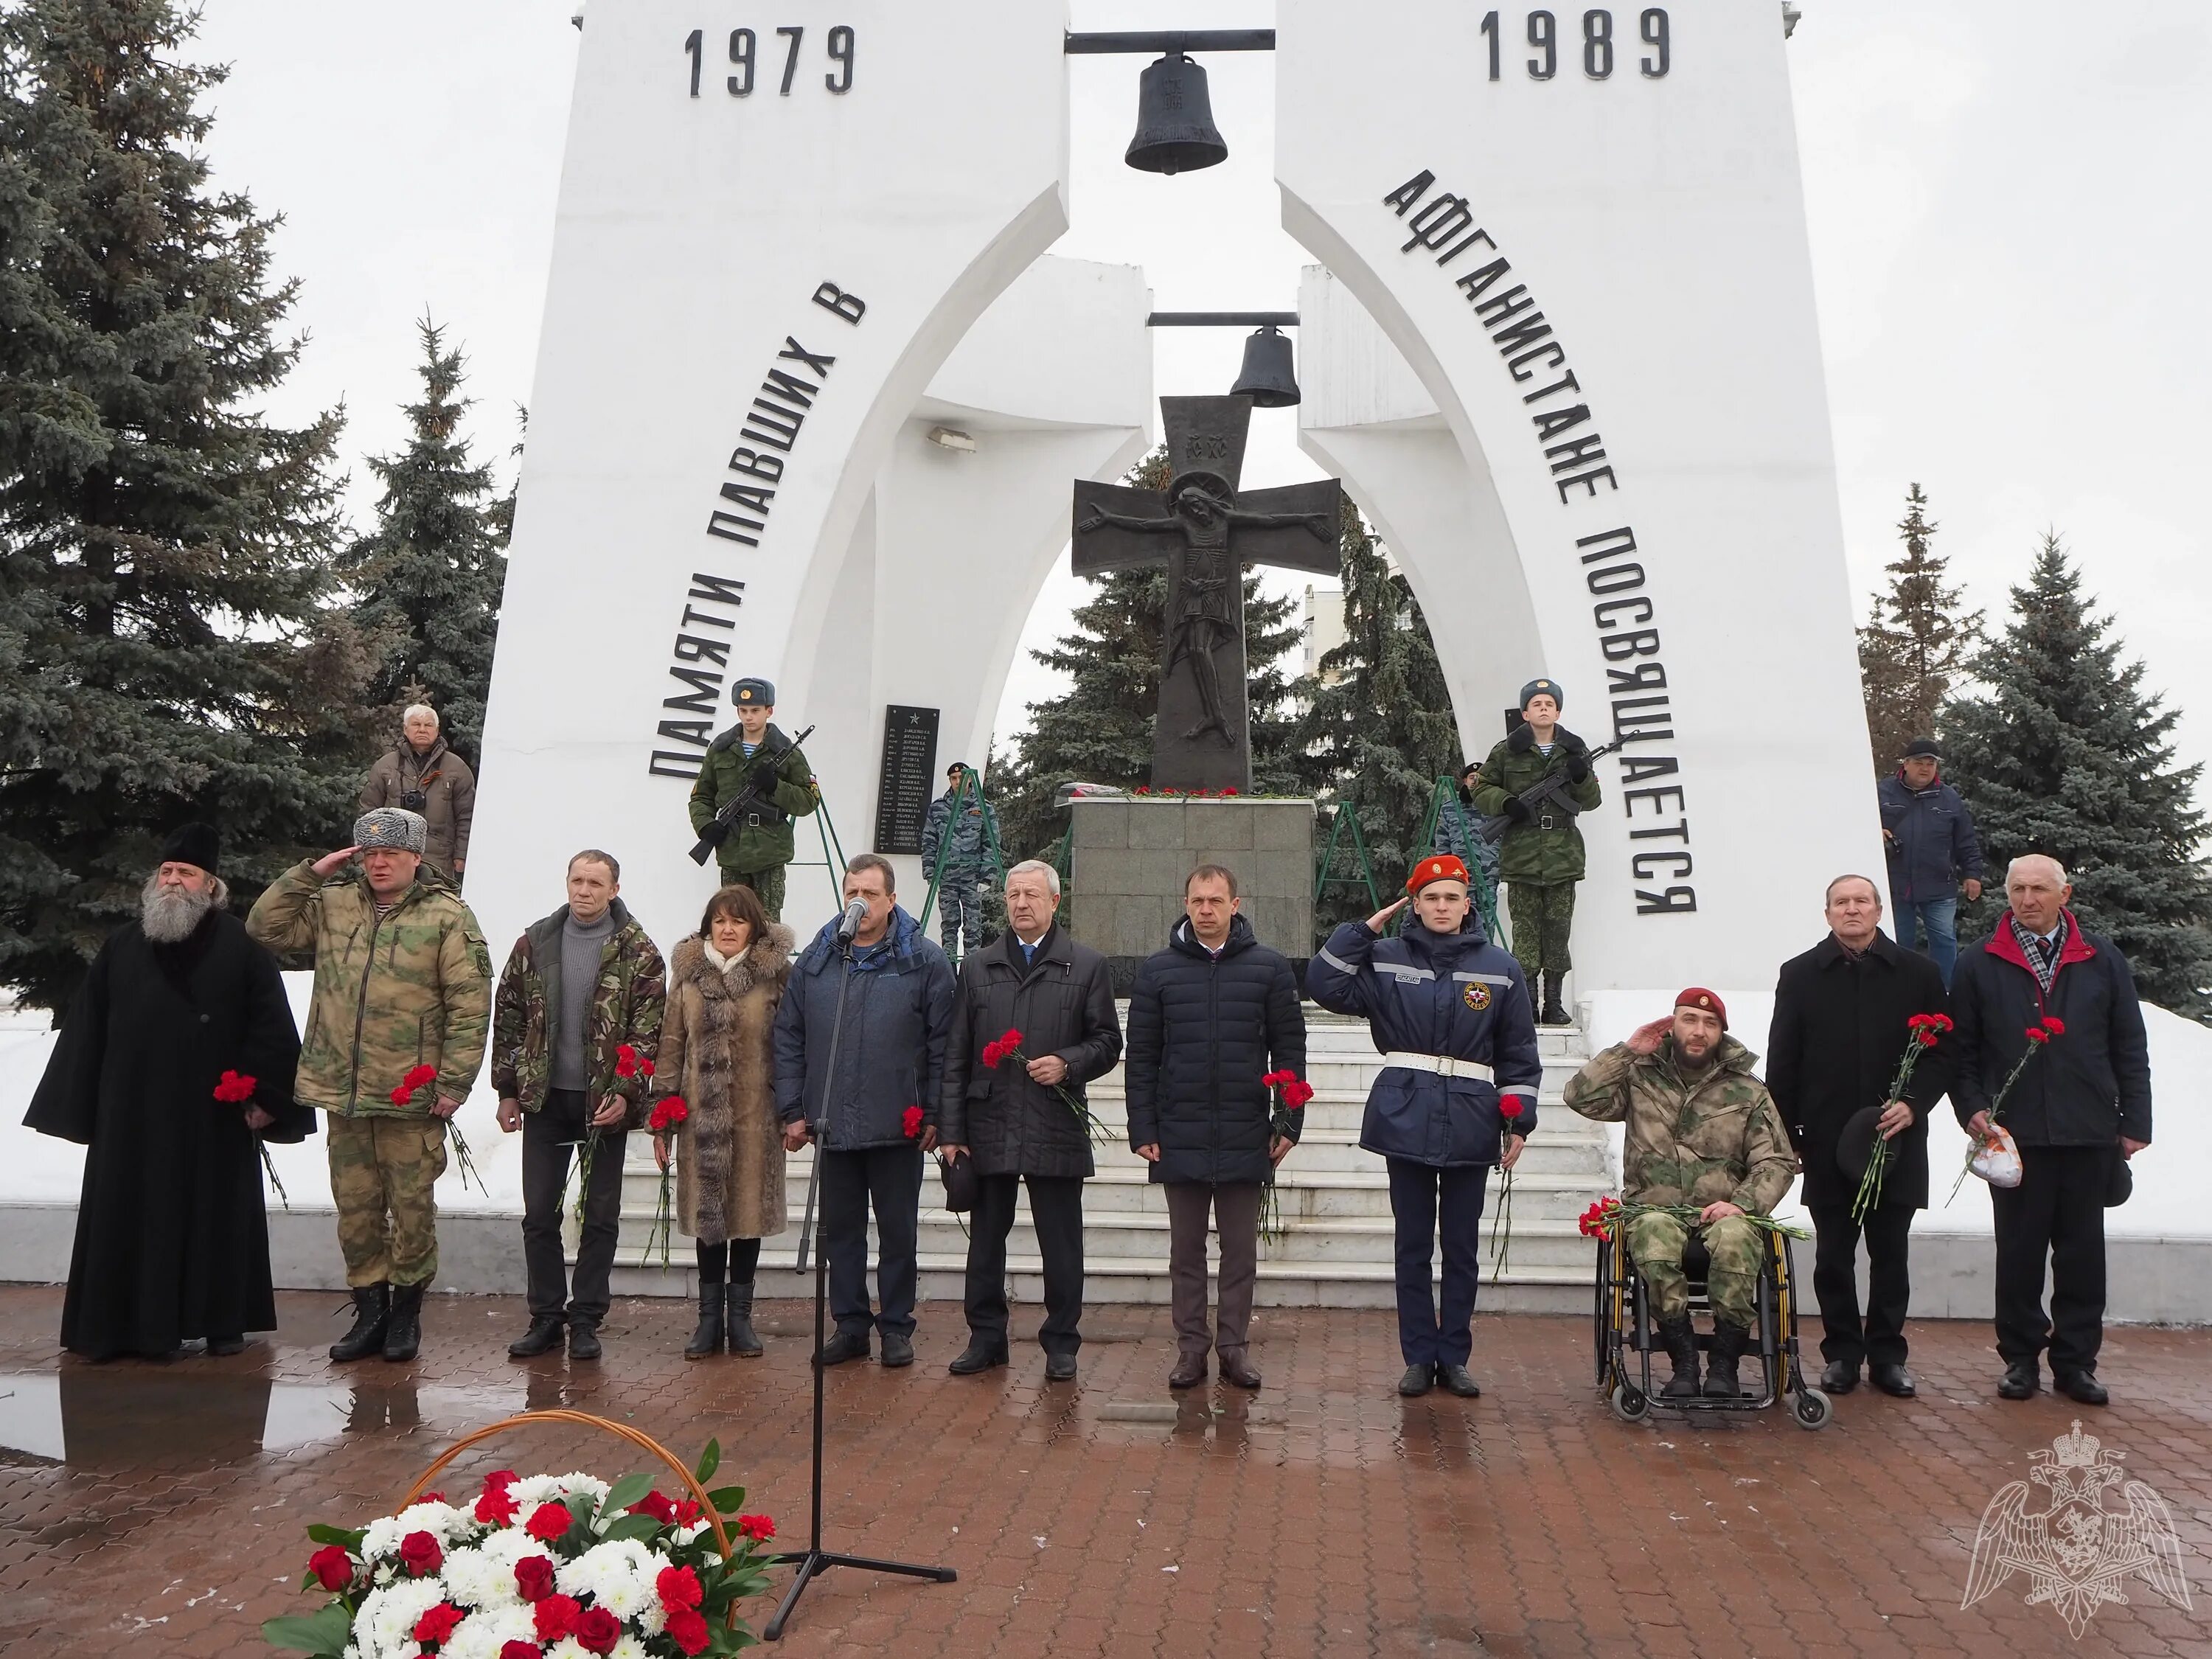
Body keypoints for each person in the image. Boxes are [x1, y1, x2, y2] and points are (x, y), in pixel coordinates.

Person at [26, 824, 315, 1360]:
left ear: (211, 886)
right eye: (166, 872)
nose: (173, 882)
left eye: (186, 873)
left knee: (214, 1217)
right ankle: (116, 1327)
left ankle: (222, 1322)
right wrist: (83, 1104)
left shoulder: (242, 947)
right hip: (130, 1112)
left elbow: (270, 1027)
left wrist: (263, 1097)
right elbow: (88, 1028)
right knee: (128, 1214)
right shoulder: (122, 946)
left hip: (212, 1113)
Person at [246, 807, 493, 1364]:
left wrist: (454, 1081)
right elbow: (266, 928)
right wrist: (310, 873)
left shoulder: (447, 916)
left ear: (414, 857)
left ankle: (406, 1314)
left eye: (391, 854)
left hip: (411, 1093)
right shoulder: (334, 905)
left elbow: (470, 1004)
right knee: (356, 1209)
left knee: (409, 1208)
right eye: (370, 854)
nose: (379, 863)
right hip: (344, 1089)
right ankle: (370, 1310)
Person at [1307, 853, 1539, 1399]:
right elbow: (1323, 985)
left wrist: (1518, 1120)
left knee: (1460, 1247)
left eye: (1450, 897)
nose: (1441, 906)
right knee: (1412, 1244)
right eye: (1430, 897)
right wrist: (1362, 930)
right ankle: (1418, 1357)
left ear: (1466, 904)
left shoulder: (1500, 968)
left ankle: (1454, 1357)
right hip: (1404, 1113)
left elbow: (1519, 1052)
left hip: (1471, 1116)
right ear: (1414, 904)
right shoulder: (1385, 957)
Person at [1950, 855, 2151, 1407]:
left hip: (2088, 1133)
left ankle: (2076, 1363)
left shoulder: (2101, 958)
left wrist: (2135, 1121)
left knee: (2083, 1256)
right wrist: (1971, 1108)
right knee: (2018, 1254)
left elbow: (2129, 1044)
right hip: (2016, 1138)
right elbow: (1961, 1052)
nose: (2027, 899)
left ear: (2065, 895)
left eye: (2039, 889)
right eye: (2018, 888)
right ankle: (2020, 1360)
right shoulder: (1979, 962)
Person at [1766, 874, 1950, 1399]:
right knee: (1834, 1256)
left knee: (1891, 1254)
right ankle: (1843, 1352)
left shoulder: (1919, 973)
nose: (1852, 910)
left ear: (1879, 910)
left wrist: (1913, 1105)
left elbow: (1941, 1054)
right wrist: (1789, 1134)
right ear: (1827, 914)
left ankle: (1889, 1355)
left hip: (1897, 1141)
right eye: (1841, 902)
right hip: (1826, 1142)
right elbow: (1784, 1060)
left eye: (1861, 901)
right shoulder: (1800, 974)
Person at [1562, 990, 1798, 1401]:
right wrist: (1626, 1051)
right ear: (1673, 1025)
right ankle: (1683, 1360)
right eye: (1689, 1020)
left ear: (1722, 1033)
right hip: (1655, 1208)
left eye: (1710, 1024)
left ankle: (1725, 1363)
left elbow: (1776, 1161)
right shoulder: (1640, 1078)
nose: (1698, 1031)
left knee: (1738, 1238)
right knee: (1653, 1234)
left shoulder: (1747, 1092)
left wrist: (1740, 1205)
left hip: (1723, 1211)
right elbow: (1580, 1098)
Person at [1124, 865, 1306, 1391]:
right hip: (1178, 1131)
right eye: (1197, 900)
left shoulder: (1269, 969)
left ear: (1235, 904)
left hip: (1246, 1129)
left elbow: (1289, 1051)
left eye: (1215, 900)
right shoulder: (1158, 971)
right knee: (1186, 1253)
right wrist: (1143, 1127)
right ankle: (1190, 1351)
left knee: (1240, 1252)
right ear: (1185, 904)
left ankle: (1233, 1348)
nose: (1206, 909)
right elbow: (1143, 1058)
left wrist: (1289, 1120)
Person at [939, 860, 1121, 1382]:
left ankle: (1061, 1343)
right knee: (986, 1241)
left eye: (1031, 895)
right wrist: (952, 1132)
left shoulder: (1085, 966)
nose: (1020, 903)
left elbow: (1108, 1041)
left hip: (1053, 1121)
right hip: (989, 1120)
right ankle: (986, 1338)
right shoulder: (977, 967)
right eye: (1013, 895)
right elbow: (956, 1053)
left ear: (1054, 903)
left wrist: (1069, 1063)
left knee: (1061, 1243)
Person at [774, 853, 955, 1368]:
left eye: (871, 894)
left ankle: (896, 1327)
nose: (860, 901)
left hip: (900, 1125)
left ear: (892, 900)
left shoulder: (924, 960)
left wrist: (937, 1111)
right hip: (832, 1125)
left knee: (899, 1234)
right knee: (842, 1233)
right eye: (853, 891)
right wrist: (793, 1108)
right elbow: (789, 1036)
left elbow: (945, 1044)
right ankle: (850, 1325)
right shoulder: (818, 959)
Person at [490, 849, 667, 1363]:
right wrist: (506, 1090)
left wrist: (628, 1092)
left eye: (595, 883)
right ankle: (546, 1316)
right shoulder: (536, 941)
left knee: (600, 1215)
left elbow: (648, 1030)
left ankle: (586, 1318)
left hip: (603, 1105)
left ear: (614, 889)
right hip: (545, 1101)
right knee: (539, 1212)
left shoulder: (638, 950)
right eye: (577, 880)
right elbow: (510, 1017)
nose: (584, 890)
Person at [654, 884, 796, 1359]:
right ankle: (708, 1320)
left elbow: (793, 1045)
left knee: (748, 1214)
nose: (728, 929)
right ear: (708, 926)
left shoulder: (777, 977)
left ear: (754, 926)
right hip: (700, 1119)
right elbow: (671, 1046)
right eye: (719, 920)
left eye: (738, 920)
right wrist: (663, 1117)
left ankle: (742, 1319)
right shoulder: (689, 979)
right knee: (709, 1218)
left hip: (758, 1117)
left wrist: (792, 1109)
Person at [1472, 678, 1601, 1025]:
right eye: (1536, 704)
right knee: (1525, 931)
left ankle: (1554, 1004)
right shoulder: (1506, 751)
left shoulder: (1575, 750)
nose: (1543, 709)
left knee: (1559, 930)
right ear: (1525, 712)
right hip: (1523, 853)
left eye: (1549, 704)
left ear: (1558, 711)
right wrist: (1507, 802)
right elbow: (1481, 789)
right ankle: (1527, 1002)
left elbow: (1591, 802)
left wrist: (1579, 777)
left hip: (1563, 856)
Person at [687, 676, 817, 922]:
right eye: (743, 710)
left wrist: (776, 786)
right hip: (732, 853)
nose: (749, 717)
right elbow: (701, 796)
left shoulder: (785, 751)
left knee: (767, 927)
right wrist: (706, 826)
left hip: (769, 854)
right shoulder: (721, 749)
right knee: (731, 921)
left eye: (755, 710)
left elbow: (809, 800)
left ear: (769, 711)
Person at [1877, 737, 1985, 988]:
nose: (1925, 768)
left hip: (1939, 884)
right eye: (1919, 762)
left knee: (1945, 941)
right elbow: (1855, 825)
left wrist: (1973, 874)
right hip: (1895, 884)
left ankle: (1945, 992)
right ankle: (1899, 991)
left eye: (1931, 763)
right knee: (1898, 942)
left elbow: (1966, 840)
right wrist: (1875, 831)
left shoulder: (1949, 798)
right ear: (1905, 764)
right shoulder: (1882, 792)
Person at [360, 703, 476, 880]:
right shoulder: (386, 766)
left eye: (428, 725)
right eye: (416, 725)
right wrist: (363, 855)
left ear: (437, 730)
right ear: (405, 729)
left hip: (439, 860)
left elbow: (467, 815)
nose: (422, 729)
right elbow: (368, 813)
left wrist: (462, 854)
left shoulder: (456, 768)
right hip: (392, 856)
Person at [920, 762, 1002, 960]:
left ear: (969, 780)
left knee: (973, 928)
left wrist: (987, 876)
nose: (958, 782)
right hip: (946, 877)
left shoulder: (983, 808)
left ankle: (971, 972)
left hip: (972, 878)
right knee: (949, 926)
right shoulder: (938, 808)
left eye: (961, 778)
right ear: (950, 781)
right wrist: (930, 873)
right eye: (954, 779)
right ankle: (948, 972)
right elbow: (929, 841)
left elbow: (991, 843)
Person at [1430, 759, 1501, 903]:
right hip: (1460, 877)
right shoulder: (1450, 808)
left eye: (1480, 778)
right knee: (1459, 920)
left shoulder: (1497, 808)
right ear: (1465, 780)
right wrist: (1446, 874)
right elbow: (1443, 845)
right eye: (1472, 777)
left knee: (1487, 921)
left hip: (1490, 877)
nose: (1475, 781)